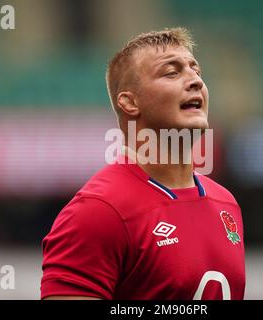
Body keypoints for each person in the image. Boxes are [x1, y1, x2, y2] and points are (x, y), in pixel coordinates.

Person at [40, 27, 245, 300]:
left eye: (196, 71)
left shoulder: (226, 203)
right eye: (172, 72)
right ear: (129, 102)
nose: (194, 80)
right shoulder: (98, 211)